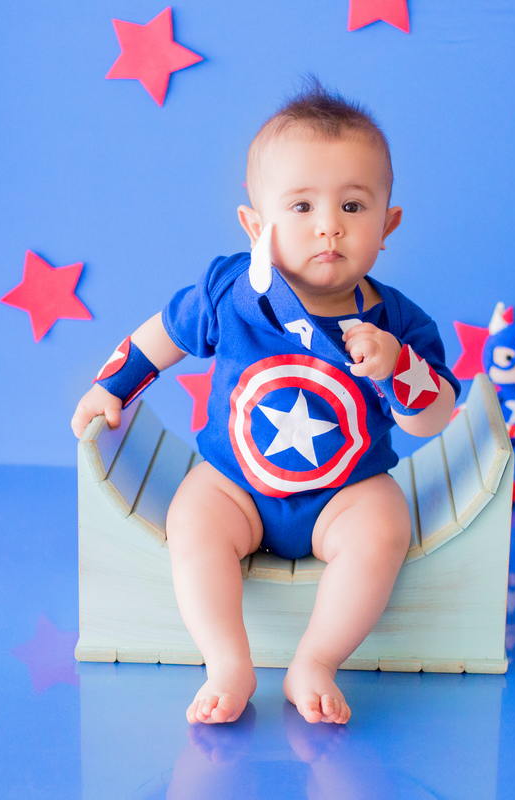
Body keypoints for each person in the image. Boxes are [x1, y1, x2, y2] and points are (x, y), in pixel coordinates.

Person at [71, 80, 458, 726]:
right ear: (256, 224)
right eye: (301, 206)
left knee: (384, 523)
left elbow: (435, 415)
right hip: (236, 485)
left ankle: (317, 657)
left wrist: (396, 368)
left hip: (345, 494)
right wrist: (112, 385)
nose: (329, 225)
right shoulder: (233, 291)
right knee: (191, 519)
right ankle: (226, 659)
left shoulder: (397, 322)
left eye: (354, 206)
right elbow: (163, 334)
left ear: (388, 224)